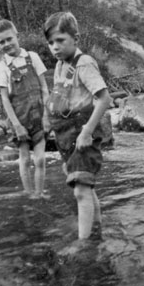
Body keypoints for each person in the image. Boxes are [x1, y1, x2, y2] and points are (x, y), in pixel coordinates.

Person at [43, 12, 111, 240]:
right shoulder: (61, 64)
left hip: (83, 135)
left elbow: (104, 99)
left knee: (81, 191)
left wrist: (87, 131)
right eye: (51, 42)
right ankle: (97, 232)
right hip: (66, 136)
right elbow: (58, 96)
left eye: (60, 40)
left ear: (76, 39)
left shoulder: (84, 64)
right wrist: (47, 119)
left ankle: (84, 245)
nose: (55, 47)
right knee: (85, 188)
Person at [0, 19, 50, 198]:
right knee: (24, 159)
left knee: (40, 159)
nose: (7, 44)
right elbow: (4, 97)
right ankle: (29, 194)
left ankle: (39, 194)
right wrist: (16, 125)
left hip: (39, 116)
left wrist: (47, 116)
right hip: (20, 120)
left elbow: (44, 88)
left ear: (17, 35)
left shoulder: (32, 57)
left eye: (9, 39)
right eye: (1, 42)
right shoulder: (2, 66)